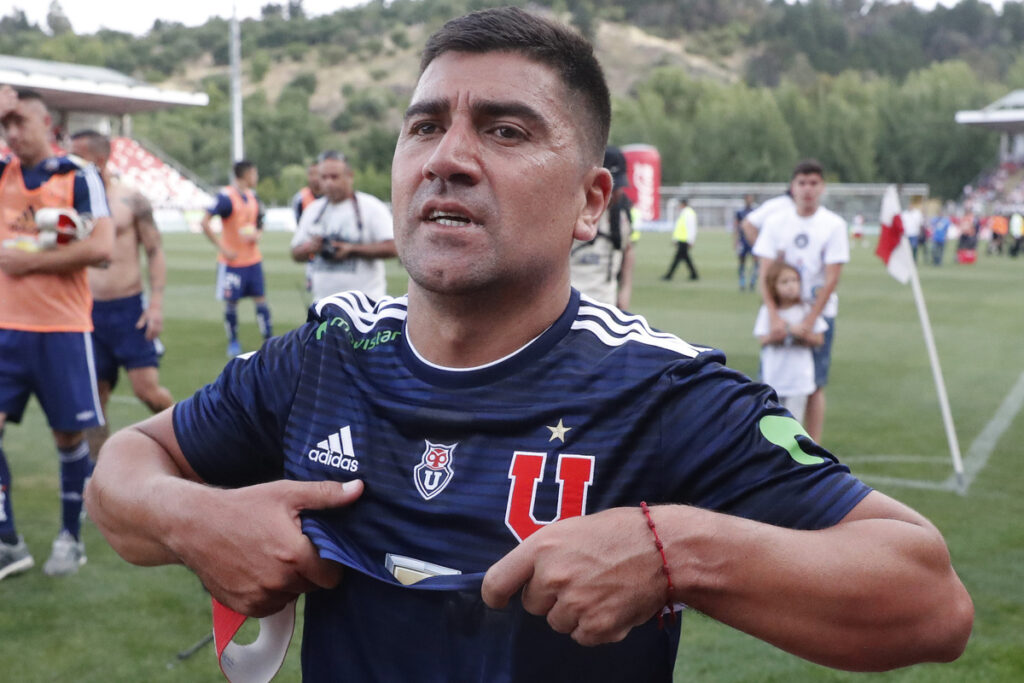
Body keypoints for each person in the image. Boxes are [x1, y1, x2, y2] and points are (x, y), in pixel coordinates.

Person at [86, 9, 972, 682]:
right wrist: (196, 518)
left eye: (506, 131)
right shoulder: (325, 352)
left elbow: (930, 600)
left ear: (593, 202)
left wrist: (678, 551)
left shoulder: (661, 388)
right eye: (426, 125)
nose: (449, 157)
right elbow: (122, 472)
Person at [0, 86, 113, 579]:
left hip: (62, 328)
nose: (12, 133)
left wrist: (31, 263)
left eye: (20, 122)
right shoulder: (1, 172)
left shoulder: (77, 176)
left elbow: (102, 248)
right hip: (4, 328)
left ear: (46, 123)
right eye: (5, 124)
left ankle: (71, 537)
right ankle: (9, 541)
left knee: (69, 437)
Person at [69, 130, 174, 459]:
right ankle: (98, 477)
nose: (67, 163)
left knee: (148, 391)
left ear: (98, 159)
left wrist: (155, 305)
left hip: (129, 310)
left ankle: (191, 447)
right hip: (88, 312)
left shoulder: (130, 199)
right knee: (95, 401)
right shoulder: (69, 200)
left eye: (76, 156)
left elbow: (155, 252)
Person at [752, 159, 848, 444]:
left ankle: (813, 448)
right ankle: (770, 445)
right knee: (770, 380)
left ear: (822, 187)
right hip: (780, 312)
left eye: (813, 183)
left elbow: (831, 278)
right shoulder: (776, 223)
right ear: (792, 187)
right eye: (802, 183)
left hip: (817, 313)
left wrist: (809, 321)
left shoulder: (833, 225)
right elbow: (765, 273)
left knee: (814, 383)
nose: (807, 189)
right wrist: (774, 314)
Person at [289, 151, 397, 302]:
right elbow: (295, 252)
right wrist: (311, 247)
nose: (329, 183)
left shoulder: (371, 207)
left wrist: (351, 250)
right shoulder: (313, 210)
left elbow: (393, 247)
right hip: (323, 305)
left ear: (349, 176)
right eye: (324, 177)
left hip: (366, 305)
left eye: (334, 177)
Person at [200, 160, 272, 356]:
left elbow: (261, 219)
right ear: (246, 174)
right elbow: (204, 222)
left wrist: (258, 233)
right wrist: (223, 247)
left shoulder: (253, 196)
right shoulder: (226, 198)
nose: (256, 178)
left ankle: (269, 341)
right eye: (254, 174)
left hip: (253, 260)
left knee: (261, 300)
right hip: (232, 263)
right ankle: (233, 342)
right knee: (231, 303)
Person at [754, 261, 827, 426]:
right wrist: (786, 331)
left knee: (794, 425)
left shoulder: (807, 310)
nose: (791, 286)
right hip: (774, 378)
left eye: (794, 281)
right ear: (773, 286)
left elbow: (819, 339)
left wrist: (802, 335)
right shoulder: (768, 312)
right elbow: (763, 339)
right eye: (784, 282)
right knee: (773, 425)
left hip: (799, 380)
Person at [570, 145, 633, 308]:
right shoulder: (567, 211)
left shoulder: (621, 215)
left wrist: (625, 290)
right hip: (567, 312)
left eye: (618, 186)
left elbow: (627, 249)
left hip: (605, 308)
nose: (617, 193)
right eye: (612, 187)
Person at [660, 197, 699, 281]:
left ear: (683, 204)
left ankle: (669, 275)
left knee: (678, 258)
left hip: (684, 240)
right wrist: (675, 239)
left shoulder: (688, 213)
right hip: (681, 240)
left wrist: (691, 240)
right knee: (685, 258)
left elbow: (691, 228)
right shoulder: (684, 213)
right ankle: (694, 274)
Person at [733, 194, 758, 290]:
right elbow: (736, 226)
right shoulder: (740, 212)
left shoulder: (755, 212)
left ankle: (752, 281)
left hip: (753, 240)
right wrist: (735, 240)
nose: (749, 200)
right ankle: (742, 282)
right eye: (748, 199)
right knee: (741, 260)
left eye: (751, 198)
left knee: (755, 261)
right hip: (743, 240)